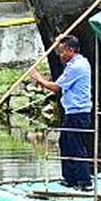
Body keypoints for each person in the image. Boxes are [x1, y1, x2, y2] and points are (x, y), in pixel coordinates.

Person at [29, 34, 94, 190]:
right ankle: (70, 178)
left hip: (78, 113)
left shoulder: (76, 67)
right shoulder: (79, 62)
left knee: (76, 146)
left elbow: (56, 87)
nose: (60, 55)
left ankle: (84, 182)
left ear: (71, 50)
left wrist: (39, 78)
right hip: (72, 112)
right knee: (65, 143)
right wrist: (61, 38)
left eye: (62, 51)